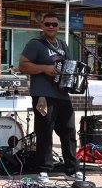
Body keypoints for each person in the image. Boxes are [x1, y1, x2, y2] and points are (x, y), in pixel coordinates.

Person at [19, 12, 78, 176]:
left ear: (59, 27)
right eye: (48, 24)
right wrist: (44, 69)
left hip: (62, 94)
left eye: (54, 24)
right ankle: (44, 170)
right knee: (45, 132)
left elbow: (70, 66)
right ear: (42, 26)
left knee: (69, 131)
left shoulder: (63, 44)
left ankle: (72, 168)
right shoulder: (35, 44)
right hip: (43, 94)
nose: (51, 27)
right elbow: (23, 65)